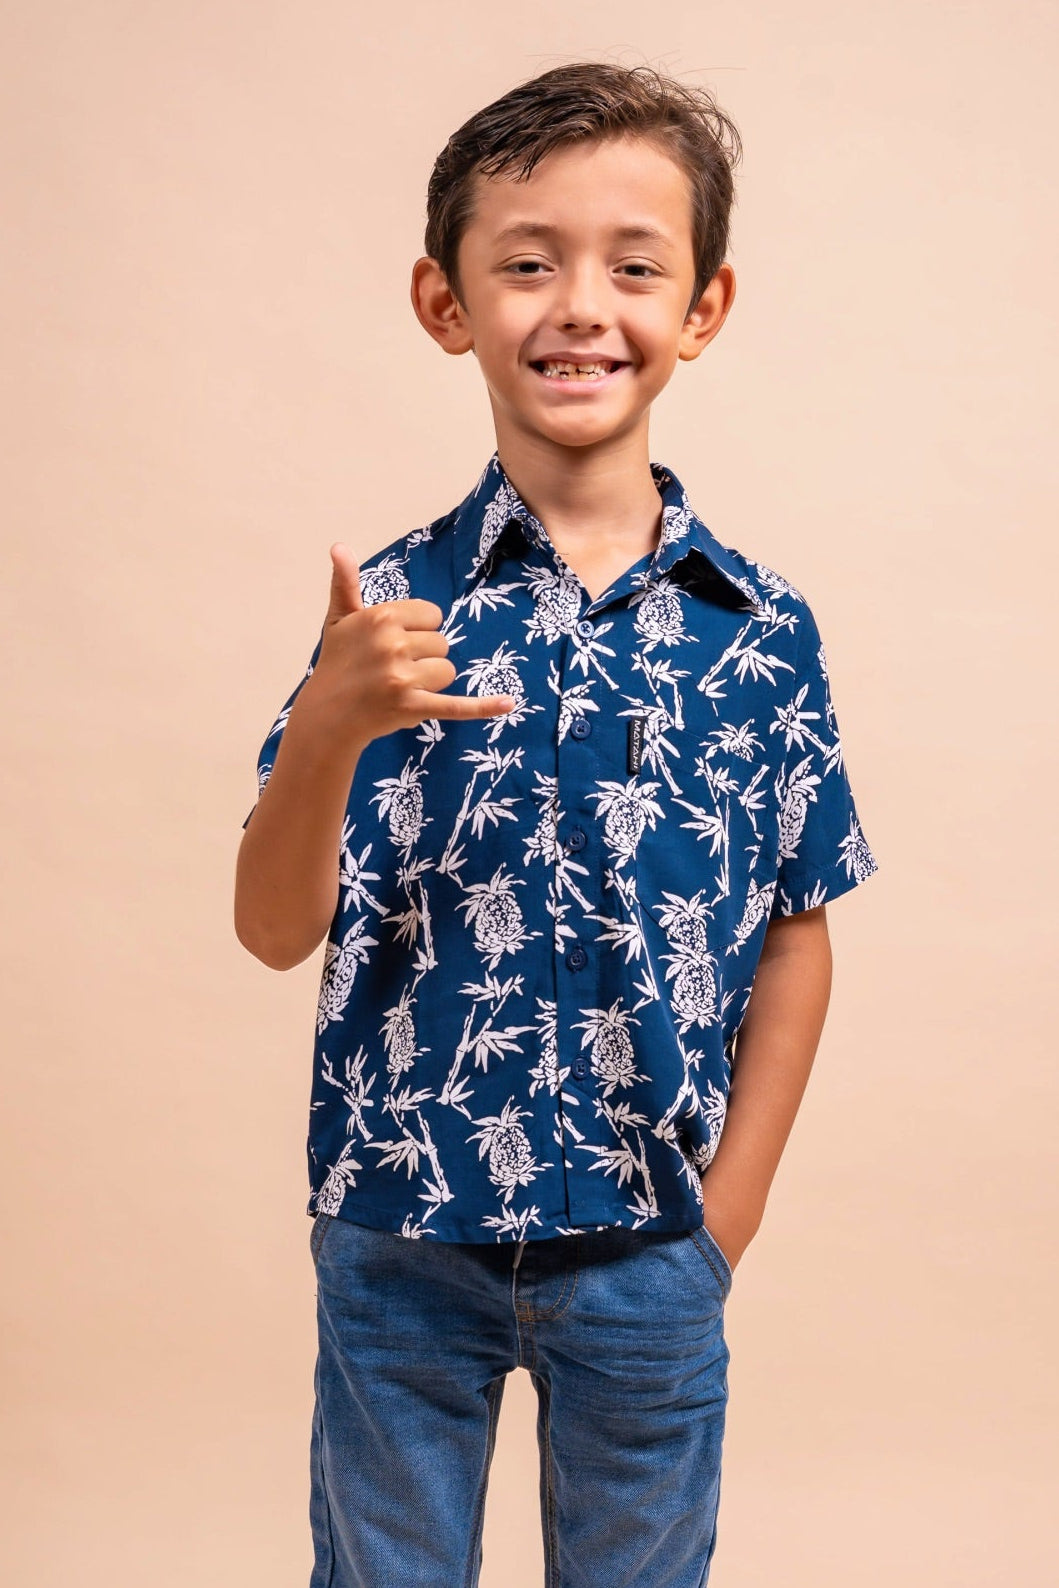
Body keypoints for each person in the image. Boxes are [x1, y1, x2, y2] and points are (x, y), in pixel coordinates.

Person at [234, 59, 879, 1588]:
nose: (580, 304)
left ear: (701, 309)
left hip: (652, 1249)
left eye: (632, 266)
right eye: (527, 261)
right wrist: (329, 722)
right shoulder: (389, 615)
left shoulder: (760, 628)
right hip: (400, 1239)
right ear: (445, 300)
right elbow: (272, 930)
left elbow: (799, 936)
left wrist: (725, 1223)